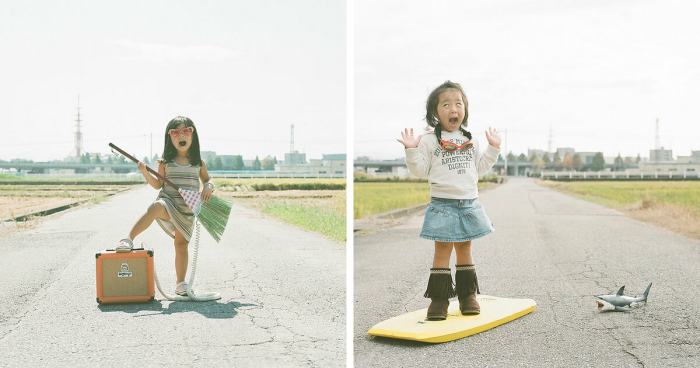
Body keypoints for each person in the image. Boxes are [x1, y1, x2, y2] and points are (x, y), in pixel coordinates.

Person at [397, 81, 501, 320]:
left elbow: (480, 168)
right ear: (435, 113)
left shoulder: (470, 138)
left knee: (465, 248)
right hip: (442, 204)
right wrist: (412, 150)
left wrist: (493, 148)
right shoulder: (430, 140)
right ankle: (439, 299)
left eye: (458, 104)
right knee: (442, 250)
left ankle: (467, 296)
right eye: (446, 104)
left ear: (464, 110)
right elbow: (420, 170)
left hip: (468, 203)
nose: (453, 109)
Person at [116, 116, 215, 296]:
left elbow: (207, 179)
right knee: (156, 207)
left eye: (186, 131)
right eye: (175, 132)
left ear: (193, 135)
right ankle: (128, 238)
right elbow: (157, 185)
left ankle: (180, 283)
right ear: (169, 137)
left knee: (181, 245)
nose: (181, 135)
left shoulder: (198, 162)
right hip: (168, 202)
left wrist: (208, 186)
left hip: (187, 210)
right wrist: (145, 172)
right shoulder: (165, 162)